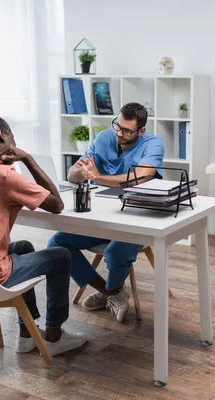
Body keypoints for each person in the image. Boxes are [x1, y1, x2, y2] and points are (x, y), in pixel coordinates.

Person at [0, 113, 86, 356]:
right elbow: (57, 204)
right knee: (61, 256)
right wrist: (27, 159)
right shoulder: (4, 176)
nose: (14, 141)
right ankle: (54, 335)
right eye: (12, 136)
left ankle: (27, 333)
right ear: (2, 134)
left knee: (22, 247)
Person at [47, 102, 164, 321]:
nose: (119, 134)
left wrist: (97, 177)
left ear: (141, 131)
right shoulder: (103, 138)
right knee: (57, 243)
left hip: (137, 219)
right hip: (102, 217)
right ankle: (111, 292)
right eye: (117, 126)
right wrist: (81, 171)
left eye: (127, 131)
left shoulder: (153, 143)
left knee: (116, 250)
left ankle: (110, 291)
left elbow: (143, 175)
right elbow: (73, 173)